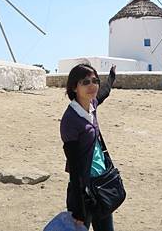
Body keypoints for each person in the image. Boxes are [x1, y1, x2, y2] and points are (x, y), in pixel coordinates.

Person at [60, 64, 117, 231]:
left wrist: (112, 76)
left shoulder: (92, 105)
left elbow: (105, 91)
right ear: (74, 87)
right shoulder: (70, 120)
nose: (92, 85)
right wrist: (78, 209)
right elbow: (75, 168)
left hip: (101, 183)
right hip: (84, 190)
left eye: (95, 80)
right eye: (85, 82)